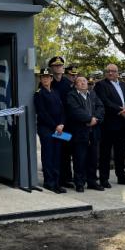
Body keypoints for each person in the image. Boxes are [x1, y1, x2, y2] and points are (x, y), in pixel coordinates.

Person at [94, 63, 125, 187]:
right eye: (108, 71)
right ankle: (104, 179)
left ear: (118, 73)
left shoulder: (124, 85)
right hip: (109, 124)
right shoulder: (100, 85)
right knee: (105, 153)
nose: (110, 73)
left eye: (113, 71)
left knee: (120, 152)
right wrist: (120, 110)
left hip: (124, 124)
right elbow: (104, 101)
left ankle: (121, 176)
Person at [66, 76, 104, 192]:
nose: (82, 83)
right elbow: (75, 111)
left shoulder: (92, 94)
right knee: (79, 159)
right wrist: (89, 119)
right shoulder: (71, 95)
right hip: (79, 132)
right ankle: (80, 183)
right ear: (75, 85)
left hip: (93, 132)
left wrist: (96, 119)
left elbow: (100, 107)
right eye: (79, 82)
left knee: (93, 158)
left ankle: (92, 181)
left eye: (84, 81)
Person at [34, 68, 66, 193]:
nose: (45, 79)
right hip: (46, 129)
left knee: (57, 156)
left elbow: (63, 110)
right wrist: (55, 126)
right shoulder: (38, 93)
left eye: (47, 77)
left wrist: (62, 124)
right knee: (48, 156)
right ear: (40, 79)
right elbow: (42, 113)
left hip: (59, 128)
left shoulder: (55, 92)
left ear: (51, 79)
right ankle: (49, 182)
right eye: (43, 77)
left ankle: (56, 182)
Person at [49, 56, 74, 188]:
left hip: (67, 123)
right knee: (55, 151)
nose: (58, 68)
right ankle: (56, 179)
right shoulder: (48, 82)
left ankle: (67, 178)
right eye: (56, 66)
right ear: (51, 68)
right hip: (54, 124)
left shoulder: (67, 83)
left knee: (66, 151)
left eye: (60, 65)